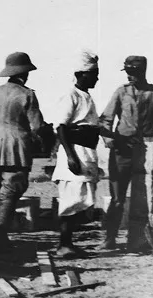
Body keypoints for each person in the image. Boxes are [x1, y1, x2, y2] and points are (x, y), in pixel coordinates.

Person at [97, 55, 153, 251]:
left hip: (148, 153)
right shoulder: (121, 92)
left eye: (134, 72)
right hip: (122, 151)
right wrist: (110, 141)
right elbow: (106, 119)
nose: (130, 76)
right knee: (117, 198)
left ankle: (145, 240)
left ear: (143, 72)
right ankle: (110, 238)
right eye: (128, 72)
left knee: (148, 198)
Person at [0, 52, 50, 248]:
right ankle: (0, 236)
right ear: (26, 73)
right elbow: (36, 126)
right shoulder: (27, 94)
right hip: (16, 149)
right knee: (11, 192)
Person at [50, 50, 106, 259]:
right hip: (75, 154)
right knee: (71, 202)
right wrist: (71, 156)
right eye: (94, 74)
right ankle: (64, 245)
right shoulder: (71, 95)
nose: (97, 78)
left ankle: (68, 243)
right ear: (82, 74)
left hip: (87, 153)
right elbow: (61, 128)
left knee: (80, 201)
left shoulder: (86, 97)